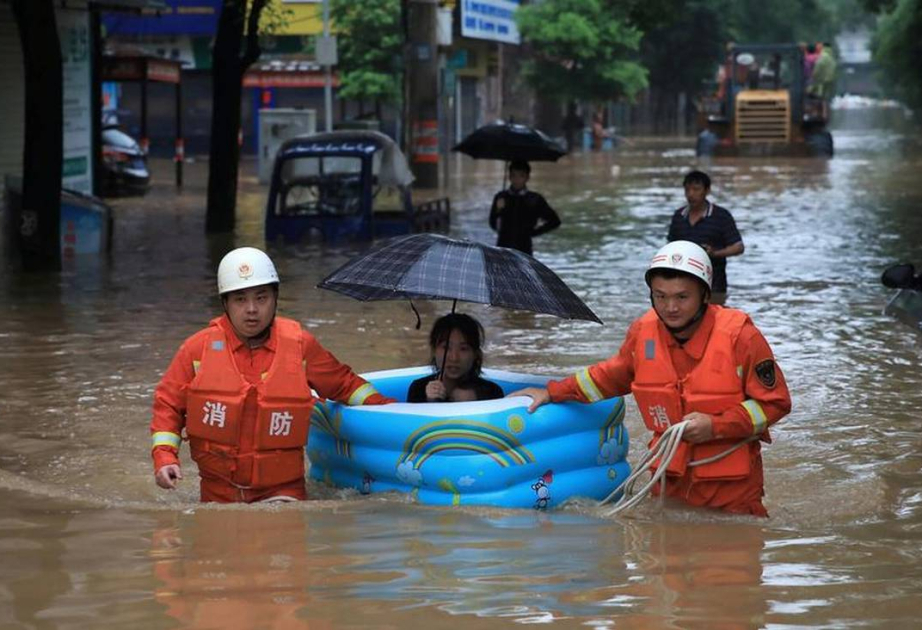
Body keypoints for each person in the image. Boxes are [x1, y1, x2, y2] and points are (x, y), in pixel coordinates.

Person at [510, 241, 791, 517]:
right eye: (660, 296)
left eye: (682, 297)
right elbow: (609, 376)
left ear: (705, 295)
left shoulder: (741, 337)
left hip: (733, 493)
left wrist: (716, 426)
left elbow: (775, 403)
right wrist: (552, 392)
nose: (670, 307)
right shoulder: (643, 332)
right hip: (669, 483)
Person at [149, 247, 394, 503]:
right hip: (218, 495)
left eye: (261, 298)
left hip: (284, 493)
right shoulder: (196, 350)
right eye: (240, 299)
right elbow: (168, 406)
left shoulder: (300, 345)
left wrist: (391, 409)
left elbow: (345, 385)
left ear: (275, 299)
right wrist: (165, 458)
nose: (252, 309)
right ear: (225, 304)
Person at [667, 170, 743, 304]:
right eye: (687, 190)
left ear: (707, 191)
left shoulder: (721, 216)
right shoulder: (679, 216)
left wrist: (715, 253)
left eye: (696, 189)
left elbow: (738, 247)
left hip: (714, 284)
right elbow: (671, 247)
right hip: (683, 283)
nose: (691, 194)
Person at [407, 313, 504, 403]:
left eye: (463, 349)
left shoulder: (492, 393)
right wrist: (430, 402)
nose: (454, 358)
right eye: (446, 347)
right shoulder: (418, 389)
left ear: (476, 354)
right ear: (434, 350)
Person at [488, 160, 561, 256]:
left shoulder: (534, 199)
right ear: (509, 177)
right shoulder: (501, 197)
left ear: (527, 177)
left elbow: (554, 221)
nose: (517, 179)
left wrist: (533, 232)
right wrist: (497, 210)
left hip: (524, 249)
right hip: (503, 248)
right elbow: (493, 224)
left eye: (521, 176)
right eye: (513, 175)